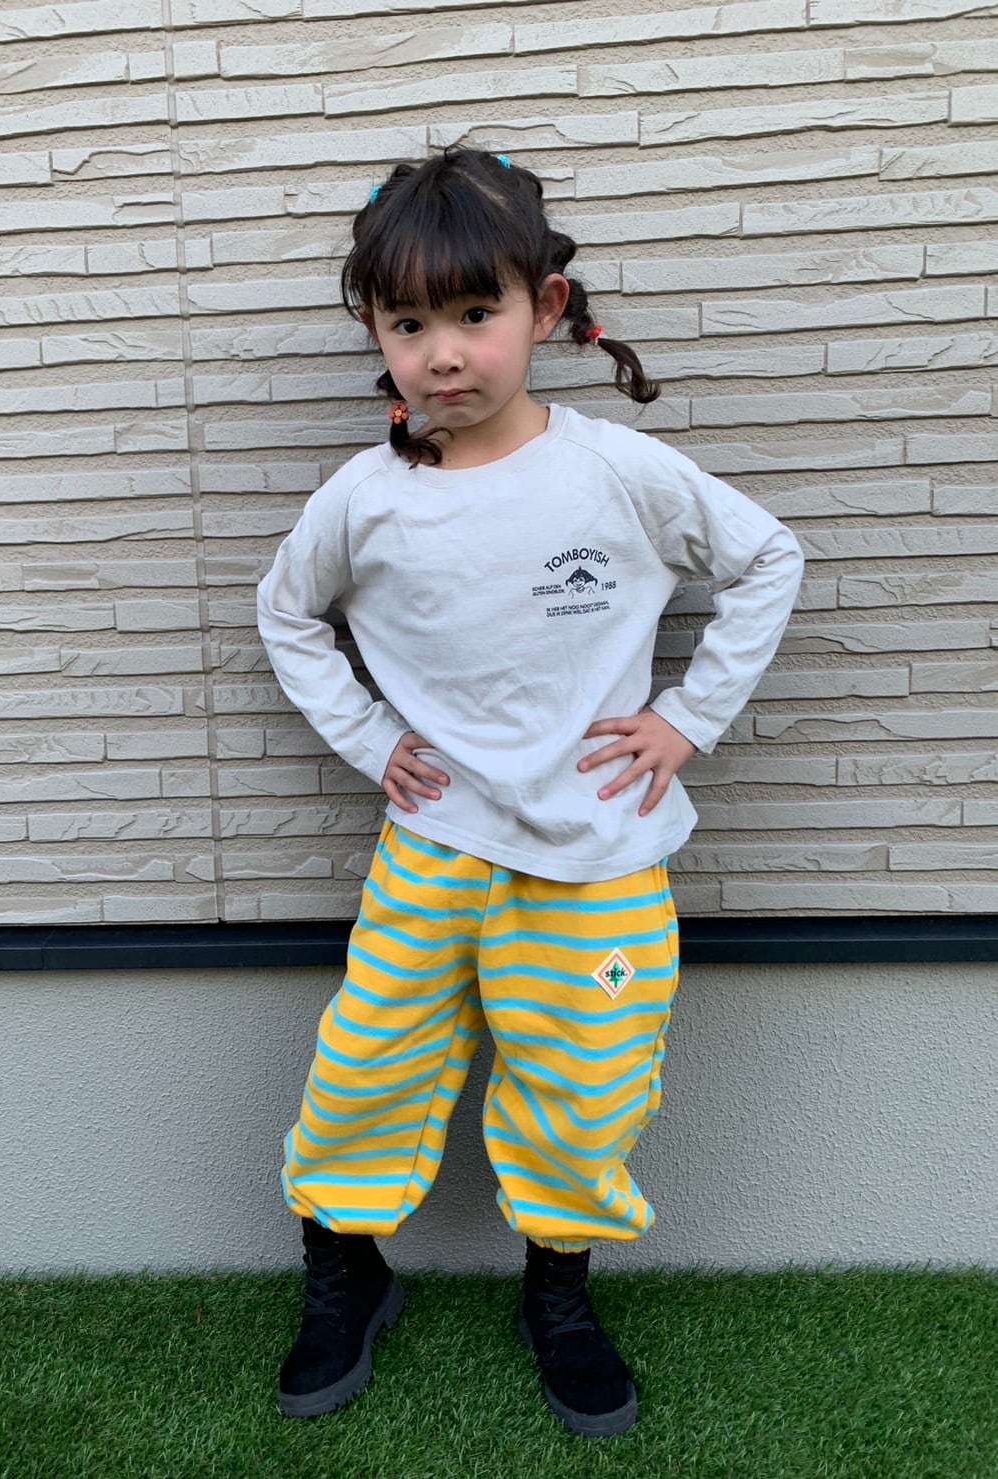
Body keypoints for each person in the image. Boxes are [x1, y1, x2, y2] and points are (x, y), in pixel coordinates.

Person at [256, 147, 804, 1438]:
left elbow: (766, 559)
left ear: (544, 309)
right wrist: (368, 737)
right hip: (430, 852)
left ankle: (557, 1291)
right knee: (365, 1066)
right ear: (375, 332)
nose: (443, 354)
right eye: (408, 324)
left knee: (583, 1091)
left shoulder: (615, 472)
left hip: (597, 860)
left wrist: (684, 719)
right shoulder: (364, 497)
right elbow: (286, 614)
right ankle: (347, 1272)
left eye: (473, 313)